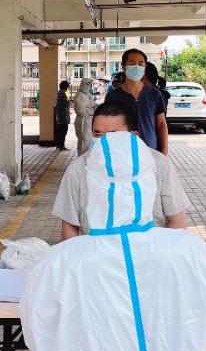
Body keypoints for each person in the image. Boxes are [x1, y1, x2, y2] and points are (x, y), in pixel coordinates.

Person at [21, 129, 206, 351]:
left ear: (91, 186)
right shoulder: (192, 250)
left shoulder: (60, 262)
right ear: (149, 184)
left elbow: (41, 338)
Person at [53, 101, 190, 241]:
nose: (104, 141)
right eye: (97, 134)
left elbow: (177, 223)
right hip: (96, 252)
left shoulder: (159, 165)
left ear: (134, 136)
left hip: (148, 251)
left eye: (113, 135)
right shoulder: (78, 169)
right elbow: (70, 229)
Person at [105, 48, 169, 154]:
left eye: (140, 63)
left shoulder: (154, 94)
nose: (137, 66)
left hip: (151, 153)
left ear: (145, 67)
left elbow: (161, 124)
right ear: (123, 66)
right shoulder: (112, 97)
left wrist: (164, 154)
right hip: (122, 154)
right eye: (132, 63)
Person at [73, 77, 97, 156]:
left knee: (88, 141)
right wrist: (92, 110)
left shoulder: (87, 94)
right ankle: (82, 159)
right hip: (83, 120)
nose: (89, 86)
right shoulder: (80, 96)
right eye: (88, 84)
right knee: (84, 141)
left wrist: (98, 106)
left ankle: (85, 158)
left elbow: (92, 104)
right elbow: (82, 111)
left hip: (88, 120)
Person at [55, 80, 71, 150]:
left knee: (60, 131)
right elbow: (66, 104)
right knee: (63, 131)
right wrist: (69, 102)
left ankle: (59, 145)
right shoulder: (61, 94)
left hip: (61, 116)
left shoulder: (60, 93)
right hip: (63, 117)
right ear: (65, 87)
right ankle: (61, 146)